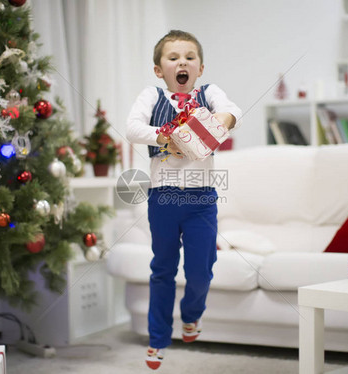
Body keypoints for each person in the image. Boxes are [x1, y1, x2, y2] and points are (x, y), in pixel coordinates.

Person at [126, 30, 242, 370]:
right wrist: (166, 136)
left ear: (200, 68)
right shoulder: (152, 95)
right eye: (173, 58)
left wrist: (220, 122)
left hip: (202, 198)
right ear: (159, 70)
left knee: (201, 271)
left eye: (189, 57)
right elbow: (133, 128)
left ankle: (192, 315)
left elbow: (232, 110)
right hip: (162, 197)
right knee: (162, 269)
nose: (182, 62)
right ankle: (158, 339)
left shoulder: (210, 93)